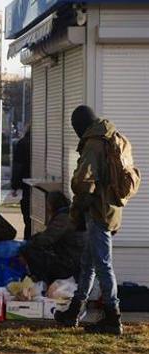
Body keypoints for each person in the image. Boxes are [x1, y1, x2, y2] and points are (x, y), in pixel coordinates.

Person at [55, 105, 126, 335]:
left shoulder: (94, 143)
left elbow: (83, 182)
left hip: (98, 211)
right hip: (109, 208)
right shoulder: (111, 136)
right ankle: (74, 311)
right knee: (88, 263)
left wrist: (75, 213)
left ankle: (113, 318)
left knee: (103, 264)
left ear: (80, 126)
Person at [20, 193, 83, 283]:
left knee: (31, 251)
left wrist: (29, 243)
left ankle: (42, 281)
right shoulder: (68, 214)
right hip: (74, 257)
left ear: (52, 205)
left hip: (70, 261)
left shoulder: (63, 218)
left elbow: (46, 239)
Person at [12, 125, 33, 240]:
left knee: (28, 220)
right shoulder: (45, 142)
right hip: (43, 186)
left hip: (27, 185)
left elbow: (18, 166)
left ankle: (27, 248)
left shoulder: (23, 144)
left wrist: (14, 185)